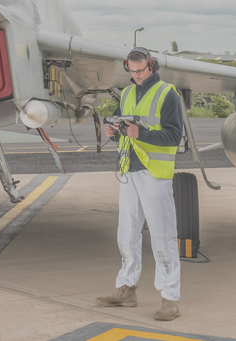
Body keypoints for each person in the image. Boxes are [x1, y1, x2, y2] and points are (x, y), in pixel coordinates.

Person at [96, 47, 185, 321]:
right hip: (129, 169)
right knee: (127, 231)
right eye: (132, 71)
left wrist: (141, 133)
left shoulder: (168, 93)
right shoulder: (127, 93)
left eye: (140, 70)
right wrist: (112, 132)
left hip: (154, 172)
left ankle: (169, 298)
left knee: (162, 235)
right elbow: (123, 130)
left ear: (152, 66)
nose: (136, 76)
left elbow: (174, 136)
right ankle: (126, 289)